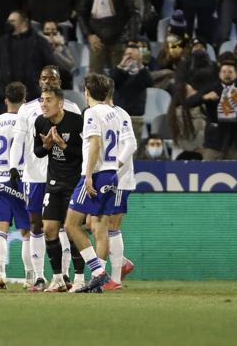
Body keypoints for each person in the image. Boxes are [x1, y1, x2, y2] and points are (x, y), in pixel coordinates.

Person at [8, 66, 82, 292]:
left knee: (67, 227)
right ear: (38, 81)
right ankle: (40, 276)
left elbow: (80, 144)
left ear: (60, 82)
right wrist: (13, 167)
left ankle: (66, 275)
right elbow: (19, 141)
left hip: (65, 175)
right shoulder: (28, 110)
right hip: (35, 175)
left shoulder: (73, 109)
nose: (47, 81)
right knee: (37, 225)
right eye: (43, 78)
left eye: (52, 78)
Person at [64, 73, 121, 293]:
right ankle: (98, 280)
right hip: (112, 174)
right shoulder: (114, 114)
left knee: (71, 224)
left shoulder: (91, 113)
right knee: (98, 226)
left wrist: (87, 175)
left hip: (96, 175)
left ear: (87, 93)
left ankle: (98, 272)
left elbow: (95, 144)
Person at [33, 85, 84, 293]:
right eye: (42, 100)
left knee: (73, 231)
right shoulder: (40, 122)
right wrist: (46, 146)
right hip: (53, 182)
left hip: (74, 182)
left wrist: (64, 146)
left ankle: (79, 278)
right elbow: (38, 152)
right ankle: (57, 278)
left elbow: (84, 154)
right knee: (49, 229)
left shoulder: (76, 122)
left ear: (60, 103)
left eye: (48, 100)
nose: (43, 104)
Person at [0, 81, 28, 289]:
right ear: (25, 100)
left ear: (5, 100)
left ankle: (0, 273)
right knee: (27, 232)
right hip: (22, 181)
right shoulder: (29, 122)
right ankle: (32, 276)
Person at [77, 0, 140, 74]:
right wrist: (89, 35)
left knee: (120, 77)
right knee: (94, 79)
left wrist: (132, 39)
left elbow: (134, 14)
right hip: (97, 41)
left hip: (119, 39)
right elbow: (81, 13)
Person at [104, 92, 138, 290]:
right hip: (101, 178)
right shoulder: (93, 113)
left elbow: (131, 143)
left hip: (119, 180)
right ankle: (122, 262)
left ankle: (115, 279)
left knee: (111, 227)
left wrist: (114, 166)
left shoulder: (119, 114)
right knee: (93, 224)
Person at [0, 10, 57, 108]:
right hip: (6, 98)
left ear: (24, 22)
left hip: (32, 97)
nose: (9, 24)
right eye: (8, 21)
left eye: (12, 21)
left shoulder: (40, 42)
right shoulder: (1, 43)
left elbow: (51, 67)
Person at [185, 59, 237, 159]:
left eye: (230, 72)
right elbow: (188, 103)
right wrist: (204, 98)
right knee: (208, 171)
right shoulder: (211, 88)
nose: (227, 74)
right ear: (219, 74)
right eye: (224, 72)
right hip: (215, 141)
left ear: (236, 74)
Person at [110, 43, 153, 140]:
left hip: (136, 118)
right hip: (118, 117)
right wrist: (121, 65)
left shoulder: (142, 73)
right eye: (127, 54)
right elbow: (110, 82)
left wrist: (140, 64)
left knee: (134, 149)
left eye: (133, 54)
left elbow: (149, 83)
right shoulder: (119, 72)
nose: (130, 57)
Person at [42, 20, 75, 88]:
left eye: (53, 30)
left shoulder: (62, 45)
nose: (50, 33)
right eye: (47, 29)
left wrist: (55, 51)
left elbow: (71, 65)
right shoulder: (38, 45)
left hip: (61, 80)